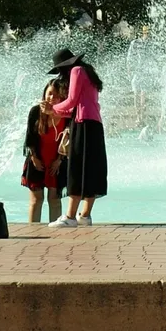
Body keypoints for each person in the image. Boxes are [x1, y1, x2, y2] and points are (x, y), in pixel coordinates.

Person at [48, 48, 107, 228]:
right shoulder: (88, 72)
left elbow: (72, 101)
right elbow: (77, 107)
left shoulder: (76, 71)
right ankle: (85, 216)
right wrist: (55, 111)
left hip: (83, 126)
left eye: (60, 70)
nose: (60, 75)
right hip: (94, 125)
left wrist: (52, 109)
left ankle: (70, 217)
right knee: (92, 170)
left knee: (77, 168)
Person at [22, 79, 68, 224]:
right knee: (37, 200)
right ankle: (33, 230)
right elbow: (29, 137)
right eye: (49, 94)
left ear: (62, 97)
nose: (51, 98)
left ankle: (55, 231)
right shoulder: (36, 111)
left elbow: (69, 140)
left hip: (56, 162)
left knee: (54, 200)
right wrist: (34, 158)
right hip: (37, 159)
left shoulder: (66, 115)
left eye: (55, 95)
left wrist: (59, 160)